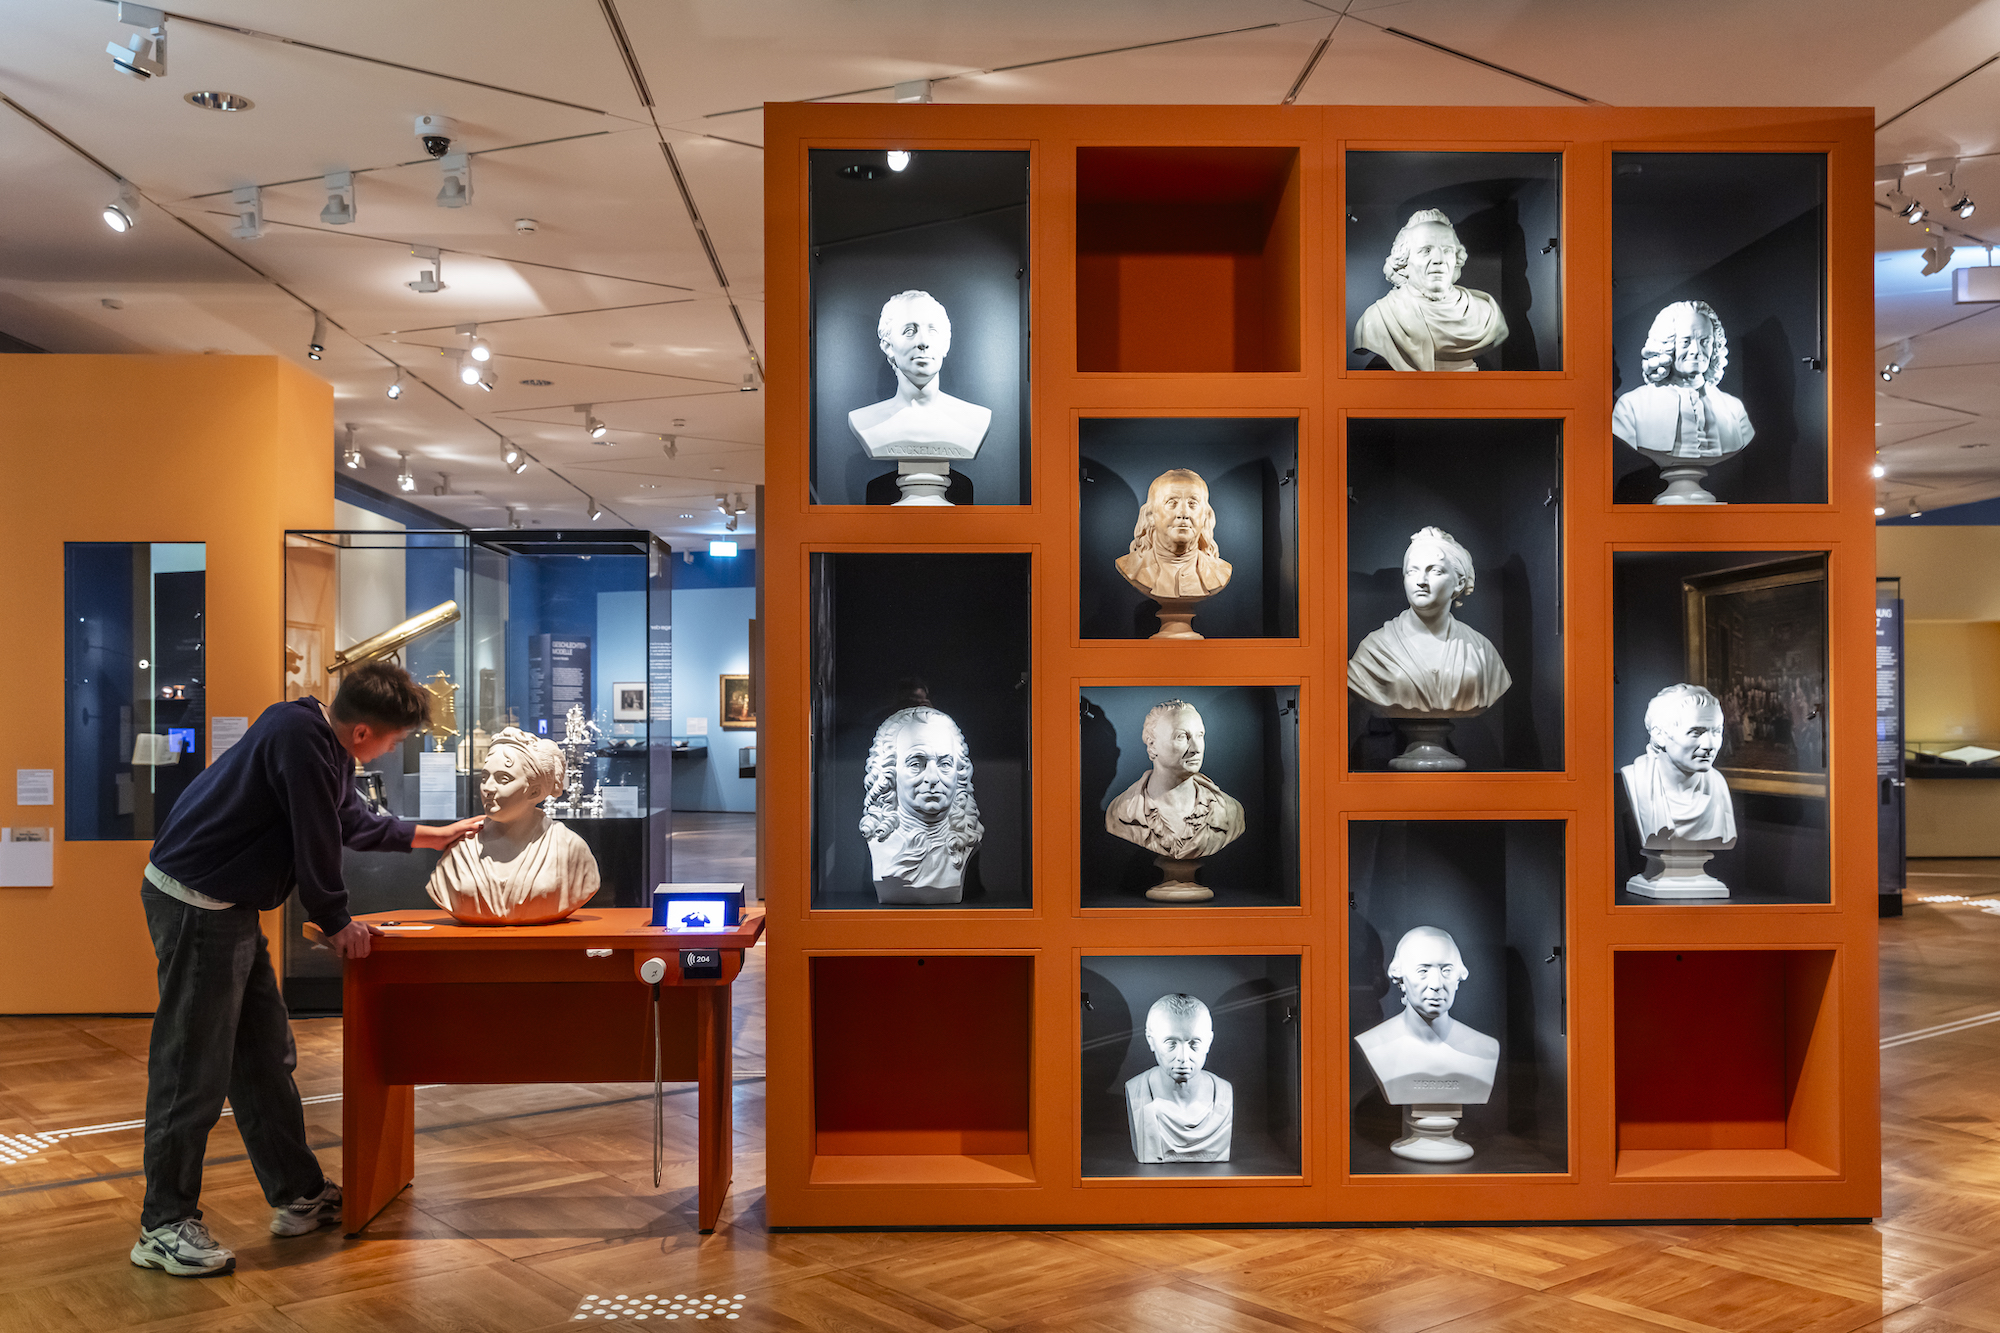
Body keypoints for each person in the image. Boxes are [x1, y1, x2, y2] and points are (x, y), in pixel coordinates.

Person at [131, 662, 483, 1277]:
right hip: (195, 903)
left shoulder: (315, 734)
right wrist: (339, 920)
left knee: (263, 1056)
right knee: (191, 1068)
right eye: (396, 742)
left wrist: (431, 836)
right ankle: (161, 1224)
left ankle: (297, 1193)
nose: (391, 752)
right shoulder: (302, 741)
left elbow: (344, 819)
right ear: (366, 733)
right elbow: (317, 840)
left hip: (227, 905)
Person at [1347, 527, 1512, 714]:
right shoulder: (1374, 650)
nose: (1421, 581)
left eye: (1435, 571)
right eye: (1412, 571)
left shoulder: (1482, 652)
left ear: (1459, 582)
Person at [1354, 209, 1509, 372]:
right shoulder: (1377, 319)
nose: (1439, 260)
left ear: (1457, 258)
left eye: (1447, 250)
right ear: (1404, 262)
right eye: (1426, 250)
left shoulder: (1485, 314)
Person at [1612, 301, 1754, 461]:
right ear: (1667, 345)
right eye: (1686, 341)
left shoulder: (1734, 409)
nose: (1696, 351)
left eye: (1705, 341)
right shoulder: (1631, 407)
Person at [1622, 683, 1737, 848]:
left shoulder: (1718, 784)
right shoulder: (1636, 780)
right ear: (1659, 735)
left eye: (1716, 731)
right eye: (1696, 732)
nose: (1709, 745)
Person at [1124, 993, 1233, 1162]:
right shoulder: (1137, 1091)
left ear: (1209, 1041)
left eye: (1194, 1043)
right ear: (1151, 1041)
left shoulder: (1223, 1094)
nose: (1183, 1057)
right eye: (1171, 1043)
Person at [1114, 468, 1233, 602]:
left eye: (1192, 504)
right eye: (1172, 503)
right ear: (1151, 515)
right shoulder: (1131, 567)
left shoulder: (1219, 571)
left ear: (1205, 516)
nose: (1183, 513)